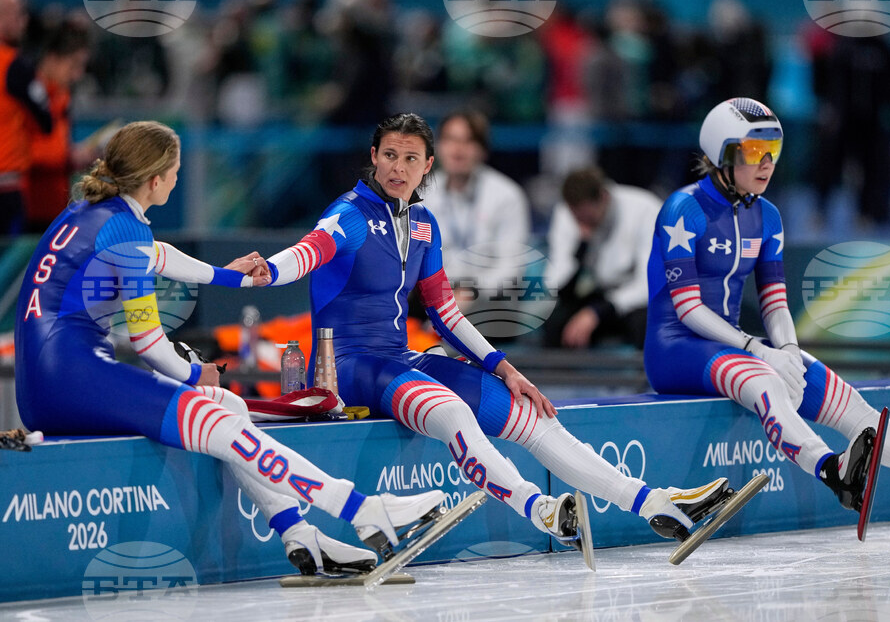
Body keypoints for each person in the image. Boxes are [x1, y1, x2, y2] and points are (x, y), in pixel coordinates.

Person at [256, 112, 735, 550]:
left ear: (427, 168)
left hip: (402, 359)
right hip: (351, 367)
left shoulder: (423, 224)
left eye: (410, 158)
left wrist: (505, 367)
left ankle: (653, 502)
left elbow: (445, 312)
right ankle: (537, 507)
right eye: (388, 155)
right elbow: (305, 253)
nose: (396, 168)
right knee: (452, 411)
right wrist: (262, 271)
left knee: (535, 414)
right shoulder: (349, 216)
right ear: (374, 158)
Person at [14, 121, 446, 577]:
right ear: (157, 179)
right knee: (218, 420)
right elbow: (148, 343)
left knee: (228, 404)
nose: (179, 179)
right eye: (177, 171)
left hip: (44, 386)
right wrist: (194, 374)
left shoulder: (89, 211)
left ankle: (299, 534)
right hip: (76, 382)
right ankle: (362, 510)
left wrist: (231, 276)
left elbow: (160, 256)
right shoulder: (124, 232)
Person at [644, 97, 890, 515]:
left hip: (728, 345)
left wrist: (790, 352)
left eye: (773, 152)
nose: (767, 164)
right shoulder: (683, 207)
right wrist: (758, 350)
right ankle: (832, 471)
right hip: (675, 348)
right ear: (723, 155)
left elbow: (775, 301)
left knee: (844, 398)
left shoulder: (768, 216)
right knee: (767, 381)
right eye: (756, 152)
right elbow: (687, 310)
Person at [418, 110, 530, 320]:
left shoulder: (506, 196)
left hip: (489, 300)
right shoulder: (422, 194)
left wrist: (473, 292)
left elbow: (511, 268)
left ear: (483, 150)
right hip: (434, 295)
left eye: (468, 141)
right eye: (450, 140)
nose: (457, 149)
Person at [543, 166, 660, 349]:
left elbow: (649, 283)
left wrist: (598, 311)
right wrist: (582, 247)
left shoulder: (645, 208)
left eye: (588, 218)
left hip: (635, 302)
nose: (582, 223)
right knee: (555, 323)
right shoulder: (566, 213)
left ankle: (646, 377)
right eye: (577, 218)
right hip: (598, 295)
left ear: (604, 197)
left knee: (646, 324)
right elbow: (556, 283)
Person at [25, 19, 96, 232]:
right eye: (74, 65)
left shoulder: (62, 97)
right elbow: (19, 154)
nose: (78, 75)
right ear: (52, 58)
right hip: (27, 210)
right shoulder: (24, 95)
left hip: (54, 209)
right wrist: (68, 156)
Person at [0, 0, 43, 234]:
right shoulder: (16, 66)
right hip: (6, 188)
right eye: (19, 14)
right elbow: (44, 121)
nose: (24, 22)